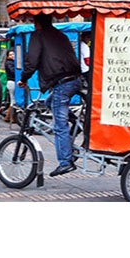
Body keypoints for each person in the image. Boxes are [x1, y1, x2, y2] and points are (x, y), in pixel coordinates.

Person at [18, 13, 82, 177]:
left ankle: (65, 162)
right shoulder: (59, 34)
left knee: (59, 126)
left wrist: (24, 78)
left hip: (61, 82)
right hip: (74, 79)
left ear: (36, 23)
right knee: (48, 103)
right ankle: (75, 122)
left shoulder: (38, 35)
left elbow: (32, 60)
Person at [4, 49, 17, 123]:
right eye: (11, 55)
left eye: (13, 54)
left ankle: (9, 117)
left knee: (13, 101)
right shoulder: (9, 63)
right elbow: (13, 72)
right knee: (13, 101)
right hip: (12, 82)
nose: (13, 56)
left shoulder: (11, 62)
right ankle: (9, 117)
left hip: (11, 82)